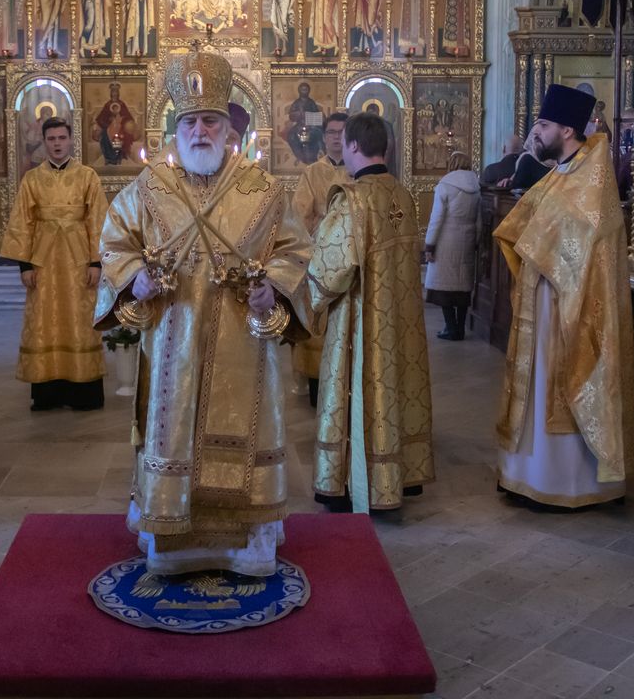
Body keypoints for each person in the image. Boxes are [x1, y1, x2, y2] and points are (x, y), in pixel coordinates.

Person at [96, 50, 312, 576]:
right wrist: (135, 278)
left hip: (245, 344)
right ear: (177, 128)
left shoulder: (262, 190)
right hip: (173, 341)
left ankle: (247, 545)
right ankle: (172, 540)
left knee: (245, 435)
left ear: (228, 127)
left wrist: (273, 290)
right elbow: (115, 246)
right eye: (190, 122)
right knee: (173, 434)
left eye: (210, 121)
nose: (199, 132)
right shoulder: (149, 188)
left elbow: (294, 250)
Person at [494, 84, 634, 509]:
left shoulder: (593, 178)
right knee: (537, 389)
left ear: (567, 130)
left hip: (571, 307)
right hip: (545, 301)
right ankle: (528, 474)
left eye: (543, 125)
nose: (536, 132)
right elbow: (529, 222)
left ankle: (566, 483)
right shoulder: (562, 172)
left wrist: (537, 244)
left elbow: (580, 238)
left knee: (561, 385)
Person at [307, 113, 433, 513]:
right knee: (398, 388)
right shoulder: (403, 195)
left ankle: (355, 482)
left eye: (343, 142)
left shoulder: (352, 201)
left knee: (361, 390)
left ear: (353, 146)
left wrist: (303, 301)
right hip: (402, 320)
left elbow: (329, 269)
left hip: (361, 323)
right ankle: (400, 476)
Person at [1, 117, 108, 411]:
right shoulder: (32, 179)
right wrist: (24, 266)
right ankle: (48, 394)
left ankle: (84, 393)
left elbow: (98, 220)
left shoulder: (87, 176)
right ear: (44, 141)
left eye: (62, 138)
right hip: (43, 262)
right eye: (51, 139)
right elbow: (22, 222)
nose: (57, 144)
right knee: (44, 322)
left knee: (79, 321)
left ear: (71, 140)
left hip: (78, 261)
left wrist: (96, 263)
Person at [291, 111, 349, 406]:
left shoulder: (358, 170)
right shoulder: (312, 173)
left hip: (351, 261)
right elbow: (299, 216)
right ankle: (315, 386)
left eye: (343, 132)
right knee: (318, 323)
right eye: (332, 133)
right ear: (324, 137)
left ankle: (347, 384)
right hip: (320, 259)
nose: (337, 138)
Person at [424, 149, 481, 341]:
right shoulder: (476, 187)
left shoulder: (445, 185)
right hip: (467, 239)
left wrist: (429, 245)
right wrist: (476, 241)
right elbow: (479, 220)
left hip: (446, 240)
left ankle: (450, 327)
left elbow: (437, 218)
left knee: (445, 287)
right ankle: (460, 329)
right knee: (462, 287)